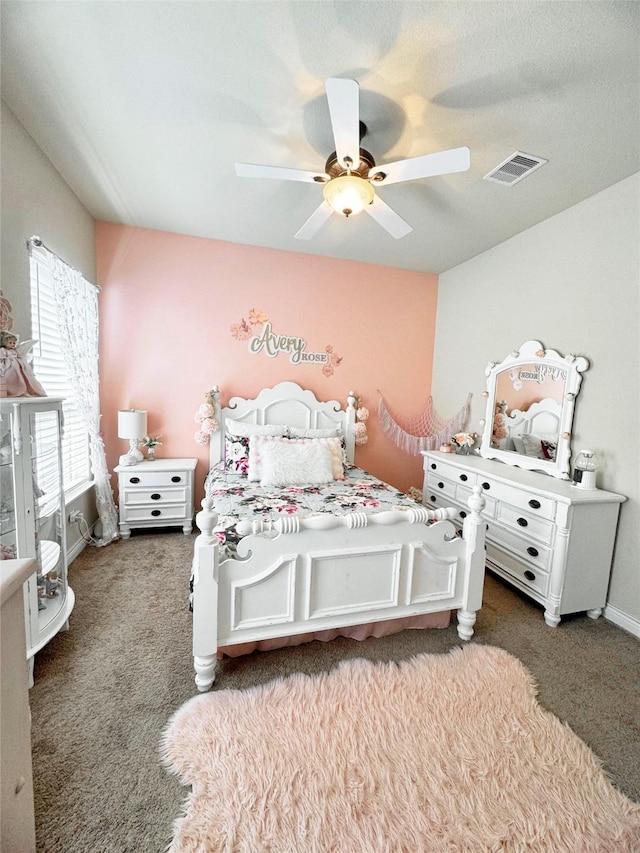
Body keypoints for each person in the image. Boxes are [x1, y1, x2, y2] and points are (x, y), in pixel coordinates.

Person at [0, 331, 47, 397]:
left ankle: (23, 389)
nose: (13, 344)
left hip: (19, 366)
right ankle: (12, 390)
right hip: (9, 366)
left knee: (22, 376)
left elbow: (20, 356)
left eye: (14, 343)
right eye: (10, 343)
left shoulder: (15, 350)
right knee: (10, 377)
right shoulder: (3, 350)